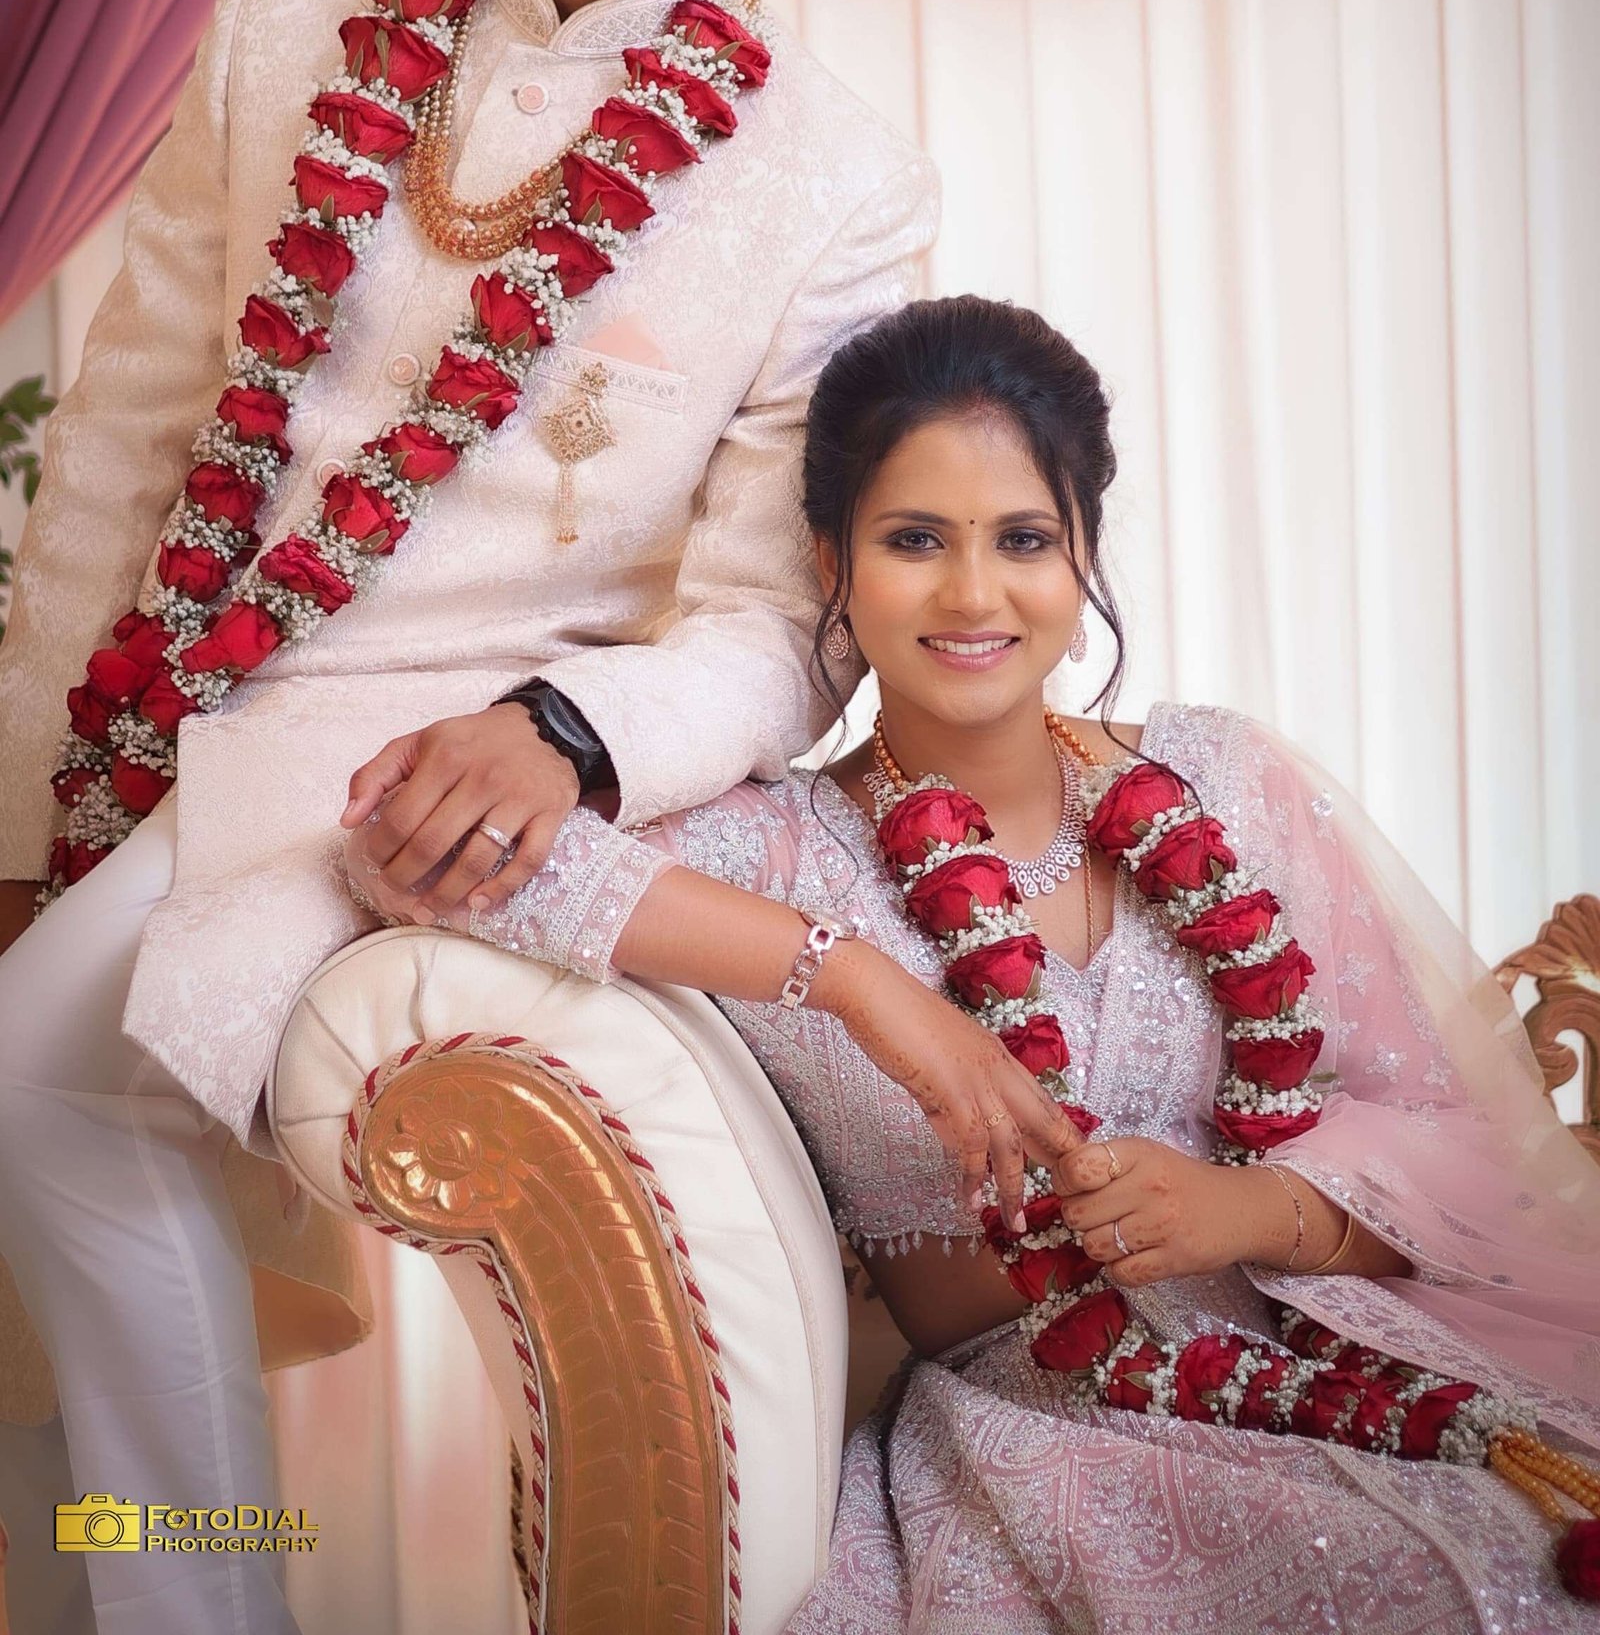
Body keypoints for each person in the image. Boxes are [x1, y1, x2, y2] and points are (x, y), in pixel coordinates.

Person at [0, 0, 938, 1634]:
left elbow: (780, 629)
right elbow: (132, 430)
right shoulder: (291, 1)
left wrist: (564, 736)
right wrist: (24, 803)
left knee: (37, 1093)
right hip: (173, 712)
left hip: (424, 764)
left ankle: (200, 1610)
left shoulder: (835, 173)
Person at [348, 293, 1600, 1633]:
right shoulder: (777, 853)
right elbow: (408, 853)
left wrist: (1250, 1211)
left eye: (1023, 539)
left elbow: (1448, 1131)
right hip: (1056, 1436)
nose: (972, 594)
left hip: (1358, 1355)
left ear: (1083, 553)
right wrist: (859, 981)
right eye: (913, 540)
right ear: (831, 562)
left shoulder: (1224, 779)